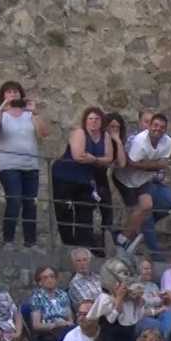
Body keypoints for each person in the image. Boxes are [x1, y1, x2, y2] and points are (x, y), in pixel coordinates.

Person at [0, 81, 44, 247]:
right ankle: (8, 241)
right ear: (3, 95)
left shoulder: (29, 114)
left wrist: (35, 113)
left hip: (30, 165)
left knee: (30, 204)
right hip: (8, 165)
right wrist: (1, 110)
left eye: (16, 91)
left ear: (21, 94)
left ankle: (31, 243)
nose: (13, 94)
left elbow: (44, 133)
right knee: (14, 200)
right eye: (9, 92)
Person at [51, 106, 115, 247]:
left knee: (86, 210)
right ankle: (68, 245)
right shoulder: (79, 132)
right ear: (85, 121)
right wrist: (99, 160)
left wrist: (94, 159)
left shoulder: (105, 136)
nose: (93, 121)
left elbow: (109, 158)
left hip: (85, 179)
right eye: (90, 119)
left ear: (102, 121)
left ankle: (84, 246)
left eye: (97, 119)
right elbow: (78, 156)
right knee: (65, 211)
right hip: (65, 176)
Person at [116, 113, 171, 252]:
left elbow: (163, 163)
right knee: (140, 211)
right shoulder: (139, 141)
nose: (158, 129)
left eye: (162, 127)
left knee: (148, 206)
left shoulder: (167, 141)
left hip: (144, 180)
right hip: (126, 181)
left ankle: (123, 238)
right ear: (149, 126)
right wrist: (154, 165)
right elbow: (132, 164)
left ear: (165, 129)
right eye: (155, 125)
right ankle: (126, 240)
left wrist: (146, 164)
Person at [25, 264, 74, 341]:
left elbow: (70, 319)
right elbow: (36, 325)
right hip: (48, 331)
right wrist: (55, 325)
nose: (50, 280)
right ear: (39, 282)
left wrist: (66, 324)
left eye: (52, 276)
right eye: (45, 277)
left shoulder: (63, 295)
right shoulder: (36, 298)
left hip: (65, 328)